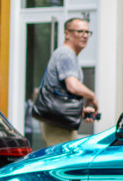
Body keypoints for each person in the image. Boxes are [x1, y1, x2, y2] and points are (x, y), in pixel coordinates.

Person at [37, 18, 99, 147]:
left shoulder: (67, 54)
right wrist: (91, 95)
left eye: (87, 32)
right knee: (61, 163)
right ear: (67, 34)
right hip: (58, 124)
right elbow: (72, 86)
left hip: (59, 122)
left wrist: (79, 109)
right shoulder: (66, 54)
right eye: (80, 31)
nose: (85, 36)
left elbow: (64, 92)